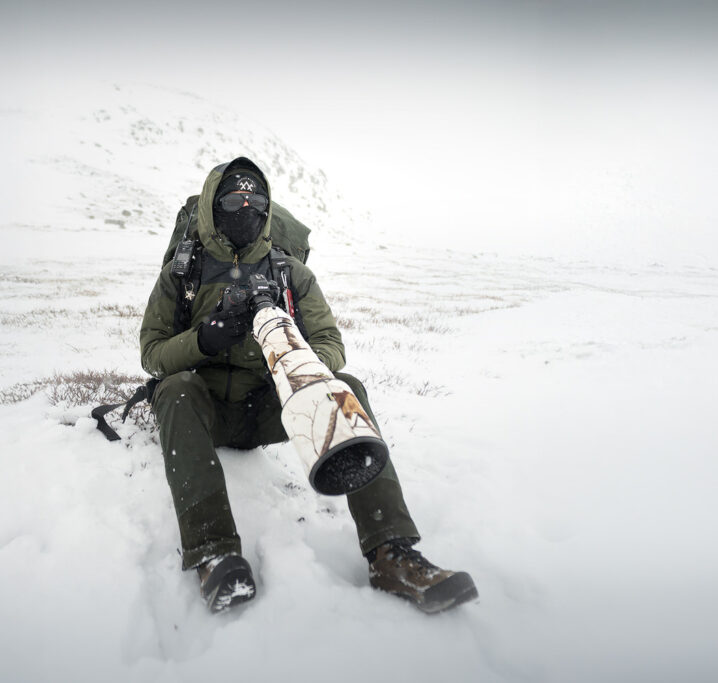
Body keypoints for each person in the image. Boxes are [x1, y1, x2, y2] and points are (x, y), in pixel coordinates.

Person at [139, 157, 476, 614]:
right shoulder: (183, 272)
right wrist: (204, 339)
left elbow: (332, 346)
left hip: (272, 409)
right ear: (211, 206)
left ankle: (391, 552)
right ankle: (214, 553)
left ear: (267, 208)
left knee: (347, 385)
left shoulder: (289, 274)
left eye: (255, 200)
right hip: (207, 413)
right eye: (233, 199)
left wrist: (287, 350)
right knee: (176, 388)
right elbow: (152, 354)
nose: (245, 208)